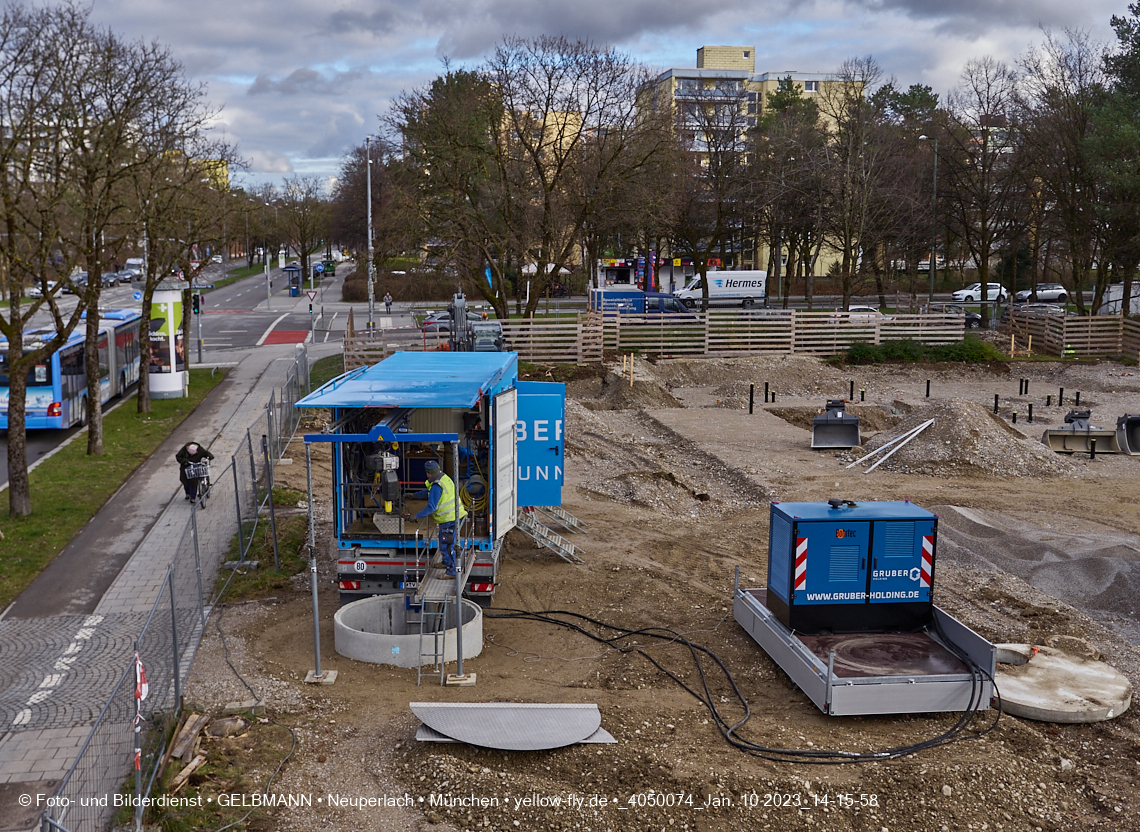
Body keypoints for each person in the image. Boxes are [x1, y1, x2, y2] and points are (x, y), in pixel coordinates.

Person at [409, 460, 467, 575]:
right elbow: (430, 493)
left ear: (428, 473)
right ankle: (446, 563)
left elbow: (431, 507)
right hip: (453, 517)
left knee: (447, 545)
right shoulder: (443, 478)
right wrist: (414, 495)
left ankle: (452, 572)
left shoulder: (436, 485)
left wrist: (416, 515)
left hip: (449, 519)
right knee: (444, 543)